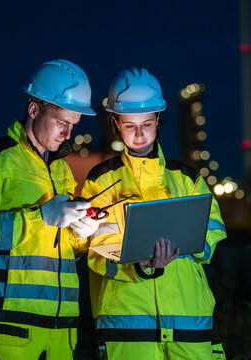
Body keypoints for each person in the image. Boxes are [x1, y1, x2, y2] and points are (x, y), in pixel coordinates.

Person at [0, 59, 105, 360]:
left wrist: (81, 235)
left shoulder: (61, 169)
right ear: (34, 109)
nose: (68, 133)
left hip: (61, 334)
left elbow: (57, 244)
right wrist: (40, 216)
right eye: (61, 121)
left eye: (73, 124)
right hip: (8, 331)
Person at [82, 67, 227, 359]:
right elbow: (95, 249)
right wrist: (138, 265)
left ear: (158, 119)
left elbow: (213, 228)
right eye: (129, 125)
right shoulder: (101, 180)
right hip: (128, 325)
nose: (138, 134)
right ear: (115, 123)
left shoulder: (186, 178)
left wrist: (189, 246)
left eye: (146, 124)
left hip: (189, 322)